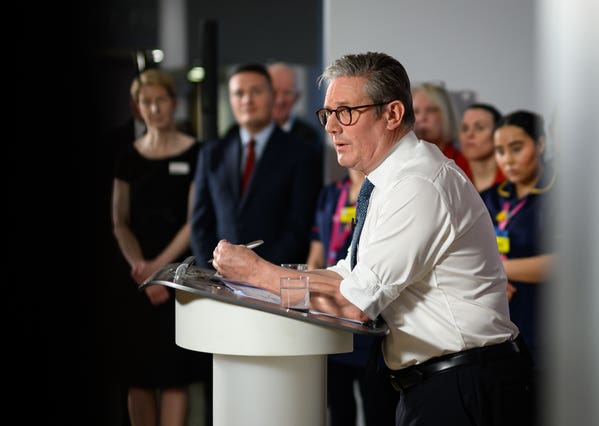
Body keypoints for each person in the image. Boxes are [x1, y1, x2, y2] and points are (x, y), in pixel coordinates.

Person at [211, 52, 536, 426]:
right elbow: (350, 276)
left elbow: (355, 305)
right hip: (438, 382)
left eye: (346, 111)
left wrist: (257, 274)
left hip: (466, 383)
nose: (332, 127)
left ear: (393, 114)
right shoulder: (388, 181)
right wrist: (258, 283)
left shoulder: (418, 184)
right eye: (328, 114)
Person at [111, 68, 209, 426]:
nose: (154, 109)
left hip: (174, 278)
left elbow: (192, 221)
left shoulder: (196, 152)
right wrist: (139, 265)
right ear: (138, 107)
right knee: (136, 374)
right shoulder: (127, 157)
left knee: (173, 374)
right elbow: (119, 221)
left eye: (160, 101)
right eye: (146, 102)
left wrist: (159, 271)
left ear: (173, 103)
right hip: (135, 278)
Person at [191, 63, 323, 268]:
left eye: (256, 92)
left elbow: (299, 226)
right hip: (218, 280)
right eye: (238, 93)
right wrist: (213, 272)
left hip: (273, 280)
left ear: (273, 96)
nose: (247, 100)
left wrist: (258, 271)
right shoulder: (212, 154)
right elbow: (200, 225)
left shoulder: (302, 154)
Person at [307, 167, 399, 425]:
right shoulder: (330, 193)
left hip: (366, 309)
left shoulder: (383, 192)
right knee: (337, 405)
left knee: (377, 405)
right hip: (330, 308)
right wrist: (308, 290)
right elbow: (316, 253)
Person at [480, 110, 557, 371]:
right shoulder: (489, 198)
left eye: (516, 148)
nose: (507, 160)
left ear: (541, 144)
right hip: (497, 327)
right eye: (500, 151)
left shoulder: (559, 194)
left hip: (546, 325)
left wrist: (495, 272)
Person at [411, 82, 472, 178]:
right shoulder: (399, 160)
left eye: (431, 110)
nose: (421, 118)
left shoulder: (465, 164)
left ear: (447, 115)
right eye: (415, 112)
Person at [459, 102, 506, 192]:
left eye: (479, 128)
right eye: (464, 128)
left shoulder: (512, 174)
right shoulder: (451, 174)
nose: (469, 134)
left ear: (498, 134)